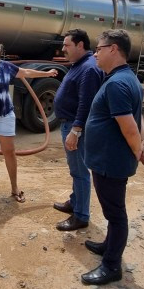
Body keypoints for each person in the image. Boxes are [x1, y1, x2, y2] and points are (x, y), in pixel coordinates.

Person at [81, 29, 144, 286]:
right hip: (108, 160)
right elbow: (139, 117)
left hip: (110, 162)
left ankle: (112, 266)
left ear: (113, 49)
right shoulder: (126, 78)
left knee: (116, 214)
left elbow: (128, 126)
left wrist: (139, 150)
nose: (95, 54)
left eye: (98, 49)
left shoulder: (116, 83)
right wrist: (142, 146)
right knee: (112, 210)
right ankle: (108, 246)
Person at [0, 39, 58, 203]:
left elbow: (26, 73)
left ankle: (14, 187)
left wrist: (47, 74)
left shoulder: (6, 67)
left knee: (9, 151)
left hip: (5, 114)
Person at [52, 29, 104, 231]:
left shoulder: (89, 69)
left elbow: (86, 103)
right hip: (69, 123)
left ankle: (81, 215)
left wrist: (76, 130)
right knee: (75, 170)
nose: (63, 48)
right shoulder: (80, 65)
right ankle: (75, 202)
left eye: (67, 45)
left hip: (75, 125)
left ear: (80, 45)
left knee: (80, 172)